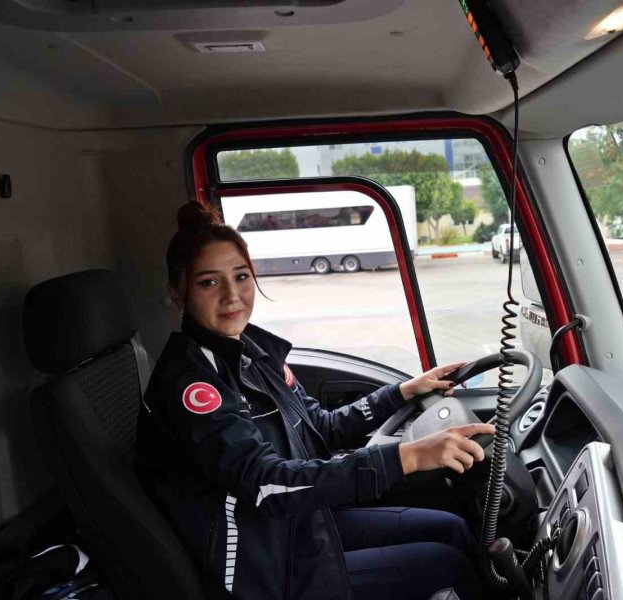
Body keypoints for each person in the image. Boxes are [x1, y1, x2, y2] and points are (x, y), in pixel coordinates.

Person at [135, 202, 494, 600]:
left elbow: (320, 426)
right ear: (178, 293)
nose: (232, 296)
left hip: (292, 525)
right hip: (259, 565)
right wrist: (408, 457)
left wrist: (404, 391)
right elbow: (265, 484)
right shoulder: (192, 384)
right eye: (209, 282)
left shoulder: (253, 354)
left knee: (452, 529)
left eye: (241, 276)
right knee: (447, 565)